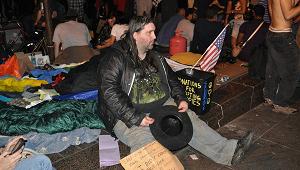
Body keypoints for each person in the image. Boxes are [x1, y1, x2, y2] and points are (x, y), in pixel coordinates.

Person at [97, 16, 254, 166]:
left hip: (162, 105)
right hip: (127, 114)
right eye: (149, 32)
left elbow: (172, 79)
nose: (155, 37)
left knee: (189, 119)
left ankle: (229, 152)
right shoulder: (115, 58)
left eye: (154, 31)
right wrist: (135, 117)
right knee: (146, 144)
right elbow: (109, 92)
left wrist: (181, 98)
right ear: (135, 34)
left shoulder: (155, 56)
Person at [263, 0, 300, 114]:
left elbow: (272, 7)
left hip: (273, 33)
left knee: (273, 69)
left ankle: (269, 96)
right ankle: (281, 103)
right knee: (293, 71)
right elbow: (288, 15)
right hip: (282, 36)